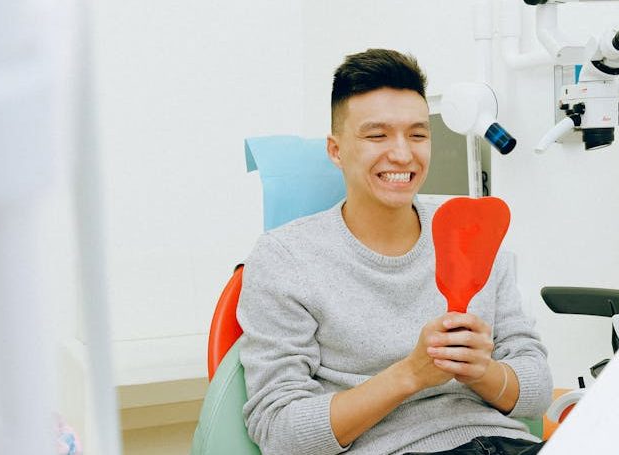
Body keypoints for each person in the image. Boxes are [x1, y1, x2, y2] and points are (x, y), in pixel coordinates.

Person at [236, 48, 552, 455]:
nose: (403, 154)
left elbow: (536, 391)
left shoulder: (468, 232)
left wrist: (482, 372)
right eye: (377, 135)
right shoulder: (286, 259)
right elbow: (279, 431)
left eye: (417, 135)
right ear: (336, 150)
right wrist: (410, 375)